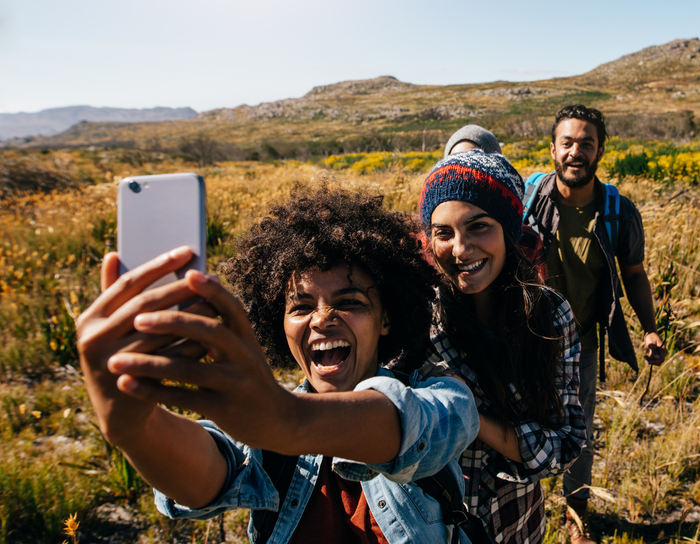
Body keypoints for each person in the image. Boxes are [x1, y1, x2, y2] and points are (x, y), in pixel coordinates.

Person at [75, 185, 481, 544]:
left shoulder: (439, 394)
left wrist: (288, 421)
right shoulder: (262, 423)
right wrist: (136, 426)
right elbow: (205, 476)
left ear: (386, 318)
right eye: (301, 306)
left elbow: (423, 426)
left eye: (349, 302)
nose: (322, 319)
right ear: (278, 324)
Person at [418, 151, 587, 543]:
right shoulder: (418, 321)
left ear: (510, 230)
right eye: (444, 233)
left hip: (517, 522)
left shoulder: (548, 315)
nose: (460, 249)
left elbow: (565, 443)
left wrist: (468, 415)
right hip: (433, 526)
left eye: (478, 227)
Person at [521, 105, 666, 544]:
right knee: (519, 424)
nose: (576, 152)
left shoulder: (618, 211)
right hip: (524, 339)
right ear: (553, 149)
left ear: (600, 149)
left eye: (586, 143)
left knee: (579, 432)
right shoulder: (527, 201)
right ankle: (523, 507)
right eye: (567, 143)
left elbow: (635, 273)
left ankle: (576, 518)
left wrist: (650, 327)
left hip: (580, 344)